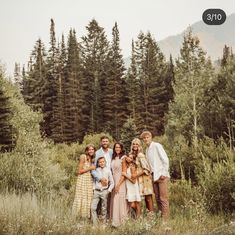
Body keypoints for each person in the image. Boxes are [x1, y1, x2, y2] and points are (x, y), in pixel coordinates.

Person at [140, 130, 170, 220]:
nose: (146, 139)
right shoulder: (147, 149)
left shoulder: (157, 146)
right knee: (157, 198)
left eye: (147, 137)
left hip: (161, 175)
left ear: (151, 137)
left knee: (163, 198)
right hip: (153, 176)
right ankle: (161, 217)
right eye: (144, 138)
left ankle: (165, 220)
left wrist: (164, 173)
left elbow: (165, 160)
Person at [72, 144, 96, 218]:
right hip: (82, 179)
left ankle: (85, 216)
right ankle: (77, 215)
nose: (91, 151)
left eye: (92, 149)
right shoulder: (83, 156)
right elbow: (79, 171)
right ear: (87, 150)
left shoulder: (91, 158)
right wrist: (90, 168)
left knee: (88, 196)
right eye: (89, 149)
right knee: (81, 196)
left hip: (89, 179)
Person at [130, 138, 154, 213]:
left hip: (145, 179)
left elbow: (146, 169)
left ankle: (151, 216)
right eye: (133, 144)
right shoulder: (134, 155)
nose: (135, 145)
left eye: (137, 144)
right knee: (141, 198)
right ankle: (145, 215)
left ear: (139, 145)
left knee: (148, 198)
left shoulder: (140, 155)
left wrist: (136, 175)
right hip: (138, 179)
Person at [91, 156, 114, 225]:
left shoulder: (108, 171)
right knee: (93, 208)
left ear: (105, 162)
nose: (101, 163)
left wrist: (109, 191)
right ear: (98, 163)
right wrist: (93, 188)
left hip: (104, 191)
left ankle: (103, 224)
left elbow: (112, 183)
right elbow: (93, 180)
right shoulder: (96, 170)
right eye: (100, 162)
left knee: (104, 208)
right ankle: (95, 224)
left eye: (103, 162)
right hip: (96, 191)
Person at [110, 142, 129, 227]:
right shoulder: (114, 157)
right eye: (116, 147)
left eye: (119, 147)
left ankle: (122, 222)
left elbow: (124, 173)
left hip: (120, 181)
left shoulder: (123, 158)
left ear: (121, 148)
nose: (117, 149)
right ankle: (114, 221)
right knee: (114, 200)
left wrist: (118, 184)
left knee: (119, 200)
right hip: (113, 181)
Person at [122, 153, 141, 219]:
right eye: (128, 157)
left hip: (133, 187)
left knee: (135, 203)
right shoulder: (127, 166)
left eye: (131, 158)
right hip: (129, 187)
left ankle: (138, 218)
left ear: (133, 159)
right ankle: (135, 217)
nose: (129, 159)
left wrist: (125, 175)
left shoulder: (132, 166)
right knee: (132, 203)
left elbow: (134, 181)